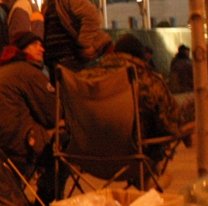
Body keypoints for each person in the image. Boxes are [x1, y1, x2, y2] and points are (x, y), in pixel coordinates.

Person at [80, 34, 188, 170]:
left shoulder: (84, 79)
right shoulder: (146, 79)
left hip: (87, 156)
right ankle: (150, 175)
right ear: (140, 57)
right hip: (134, 157)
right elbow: (173, 123)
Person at [0, 32, 57, 199]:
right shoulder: (29, 72)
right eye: (35, 45)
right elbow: (52, 113)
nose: (42, 48)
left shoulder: (0, 70)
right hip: (14, 146)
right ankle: (46, 200)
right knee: (61, 142)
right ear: (24, 49)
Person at [36, 0, 111, 75]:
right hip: (57, 60)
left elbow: (92, 16)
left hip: (69, 59)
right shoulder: (48, 4)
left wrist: (84, 43)